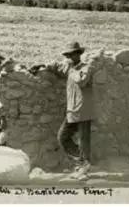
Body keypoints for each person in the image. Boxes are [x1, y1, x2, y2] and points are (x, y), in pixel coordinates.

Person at [31, 41, 94, 177]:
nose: (71, 57)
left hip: (84, 110)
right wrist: (42, 65)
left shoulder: (85, 68)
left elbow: (82, 80)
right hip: (72, 111)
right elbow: (56, 66)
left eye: (73, 54)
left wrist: (72, 70)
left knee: (84, 141)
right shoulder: (69, 67)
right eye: (68, 55)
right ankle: (82, 162)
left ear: (79, 54)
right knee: (62, 137)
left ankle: (83, 169)